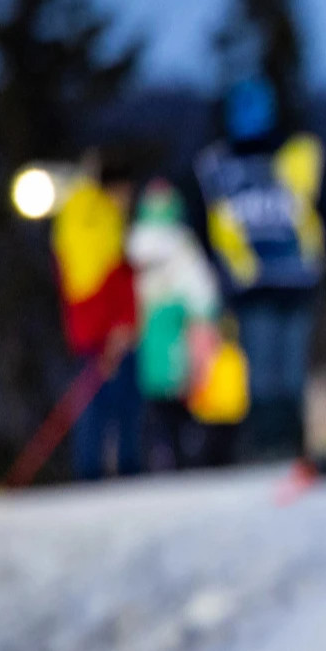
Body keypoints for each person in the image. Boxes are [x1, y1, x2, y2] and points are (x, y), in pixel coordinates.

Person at [194, 76, 326, 457]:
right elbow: (208, 226)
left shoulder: (296, 158)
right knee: (262, 374)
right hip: (253, 285)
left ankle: (288, 446)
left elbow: (322, 214)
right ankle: (263, 446)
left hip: (296, 280)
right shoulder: (218, 166)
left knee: (289, 374)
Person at [52, 151, 142, 480]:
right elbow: (115, 280)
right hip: (106, 331)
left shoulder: (73, 217)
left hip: (86, 330)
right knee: (117, 405)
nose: (128, 200)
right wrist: (120, 326)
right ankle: (120, 467)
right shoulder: (104, 222)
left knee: (93, 403)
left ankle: (90, 470)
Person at [125, 179, 221, 470]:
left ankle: (159, 458)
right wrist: (205, 317)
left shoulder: (132, 244)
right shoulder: (181, 243)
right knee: (178, 404)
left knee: (157, 405)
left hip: (151, 331)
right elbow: (202, 289)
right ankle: (179, 458)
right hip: (174, 330)